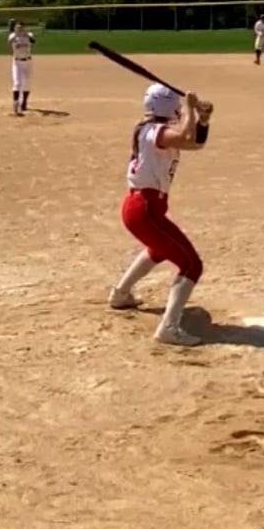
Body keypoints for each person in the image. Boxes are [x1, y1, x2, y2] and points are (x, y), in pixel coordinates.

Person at [106, 83, 214, 347]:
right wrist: (189, 109)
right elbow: (184, 134)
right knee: (192, 265)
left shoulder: (154, 130)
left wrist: (203, 120)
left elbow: (194, 143)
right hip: (145, 208)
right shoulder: (156, 131)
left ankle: (120, 294)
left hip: (143, 207)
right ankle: (168, 328)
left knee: (158, 249)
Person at [8, 20, 36, 115]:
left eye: (20, 27)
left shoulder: (29, 34)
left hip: (28, 62)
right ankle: (16, 103)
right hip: (17, 62)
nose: (19, 29)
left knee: (27, 83)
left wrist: (26, 35)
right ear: (14, 28)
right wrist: (16, 35)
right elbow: (9, 42)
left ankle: (24, 103)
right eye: (17, 27)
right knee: (17, 83)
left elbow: (33, 41)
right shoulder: (12, 36)